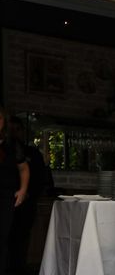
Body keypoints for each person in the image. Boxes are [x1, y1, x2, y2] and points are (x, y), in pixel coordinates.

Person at [8, 118, 49, 275]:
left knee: (21, 238)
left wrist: (28, 194)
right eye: (11, 129)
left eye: (17, 129)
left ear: (23, 132)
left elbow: (40, 178)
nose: (14, 132)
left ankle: (18, 269)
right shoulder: (5, 151)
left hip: (26, 204)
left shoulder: (33, 153)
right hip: (6, 201)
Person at [0, 107, 29, 275]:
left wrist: (23, 190)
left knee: (2, 239)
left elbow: (24, 168)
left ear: (4, 122)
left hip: (5, 197)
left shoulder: (11, 144)